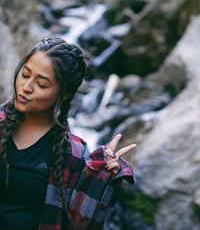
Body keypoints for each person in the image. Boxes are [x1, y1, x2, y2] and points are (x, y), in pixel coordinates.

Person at [0, 37, 136, 230]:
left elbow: (78, 225)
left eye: (42, 84)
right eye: (25, 74)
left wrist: (100, 176)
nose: (26, 87)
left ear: (63, 94)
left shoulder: (74, 154)